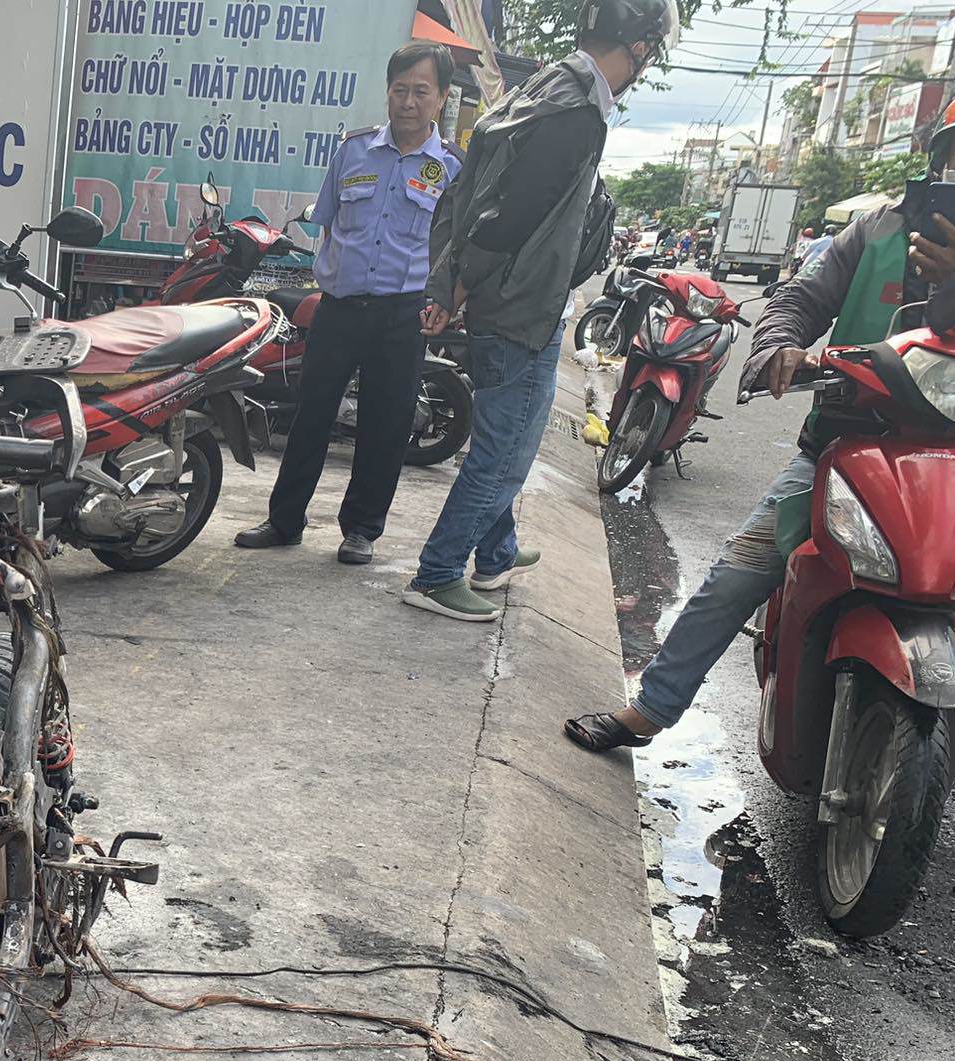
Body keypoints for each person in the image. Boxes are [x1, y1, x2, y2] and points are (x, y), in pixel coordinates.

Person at [565, 127, 955, 753]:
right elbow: (799, 298)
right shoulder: (876, 230)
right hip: (849, 448)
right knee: (737, 575)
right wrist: (779, 346)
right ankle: (650, 707)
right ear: (939, 163)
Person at [404, 0, 680, 623]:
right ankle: (438, 573)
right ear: (638, 47)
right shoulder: (575, 112)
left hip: (513, 299)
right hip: (520, 309)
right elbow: (511, 215)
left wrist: (454, 283)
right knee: (503, 454)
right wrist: (456, 288)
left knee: (506, 440)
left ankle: (495, 553)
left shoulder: (548, 85)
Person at [234, 43, 460, 563]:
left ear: (442, 97)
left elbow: (454, 245)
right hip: (338, 307)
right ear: (388, 91)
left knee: (385, 424)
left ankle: (361, 530)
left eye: (420, 91)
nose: (408, 102)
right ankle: (284, 520)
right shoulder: (354, 150)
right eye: (399, 90)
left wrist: (446, 299)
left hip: (403, 314)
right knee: (310, 414)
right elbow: (329, 222)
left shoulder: (451, 169)